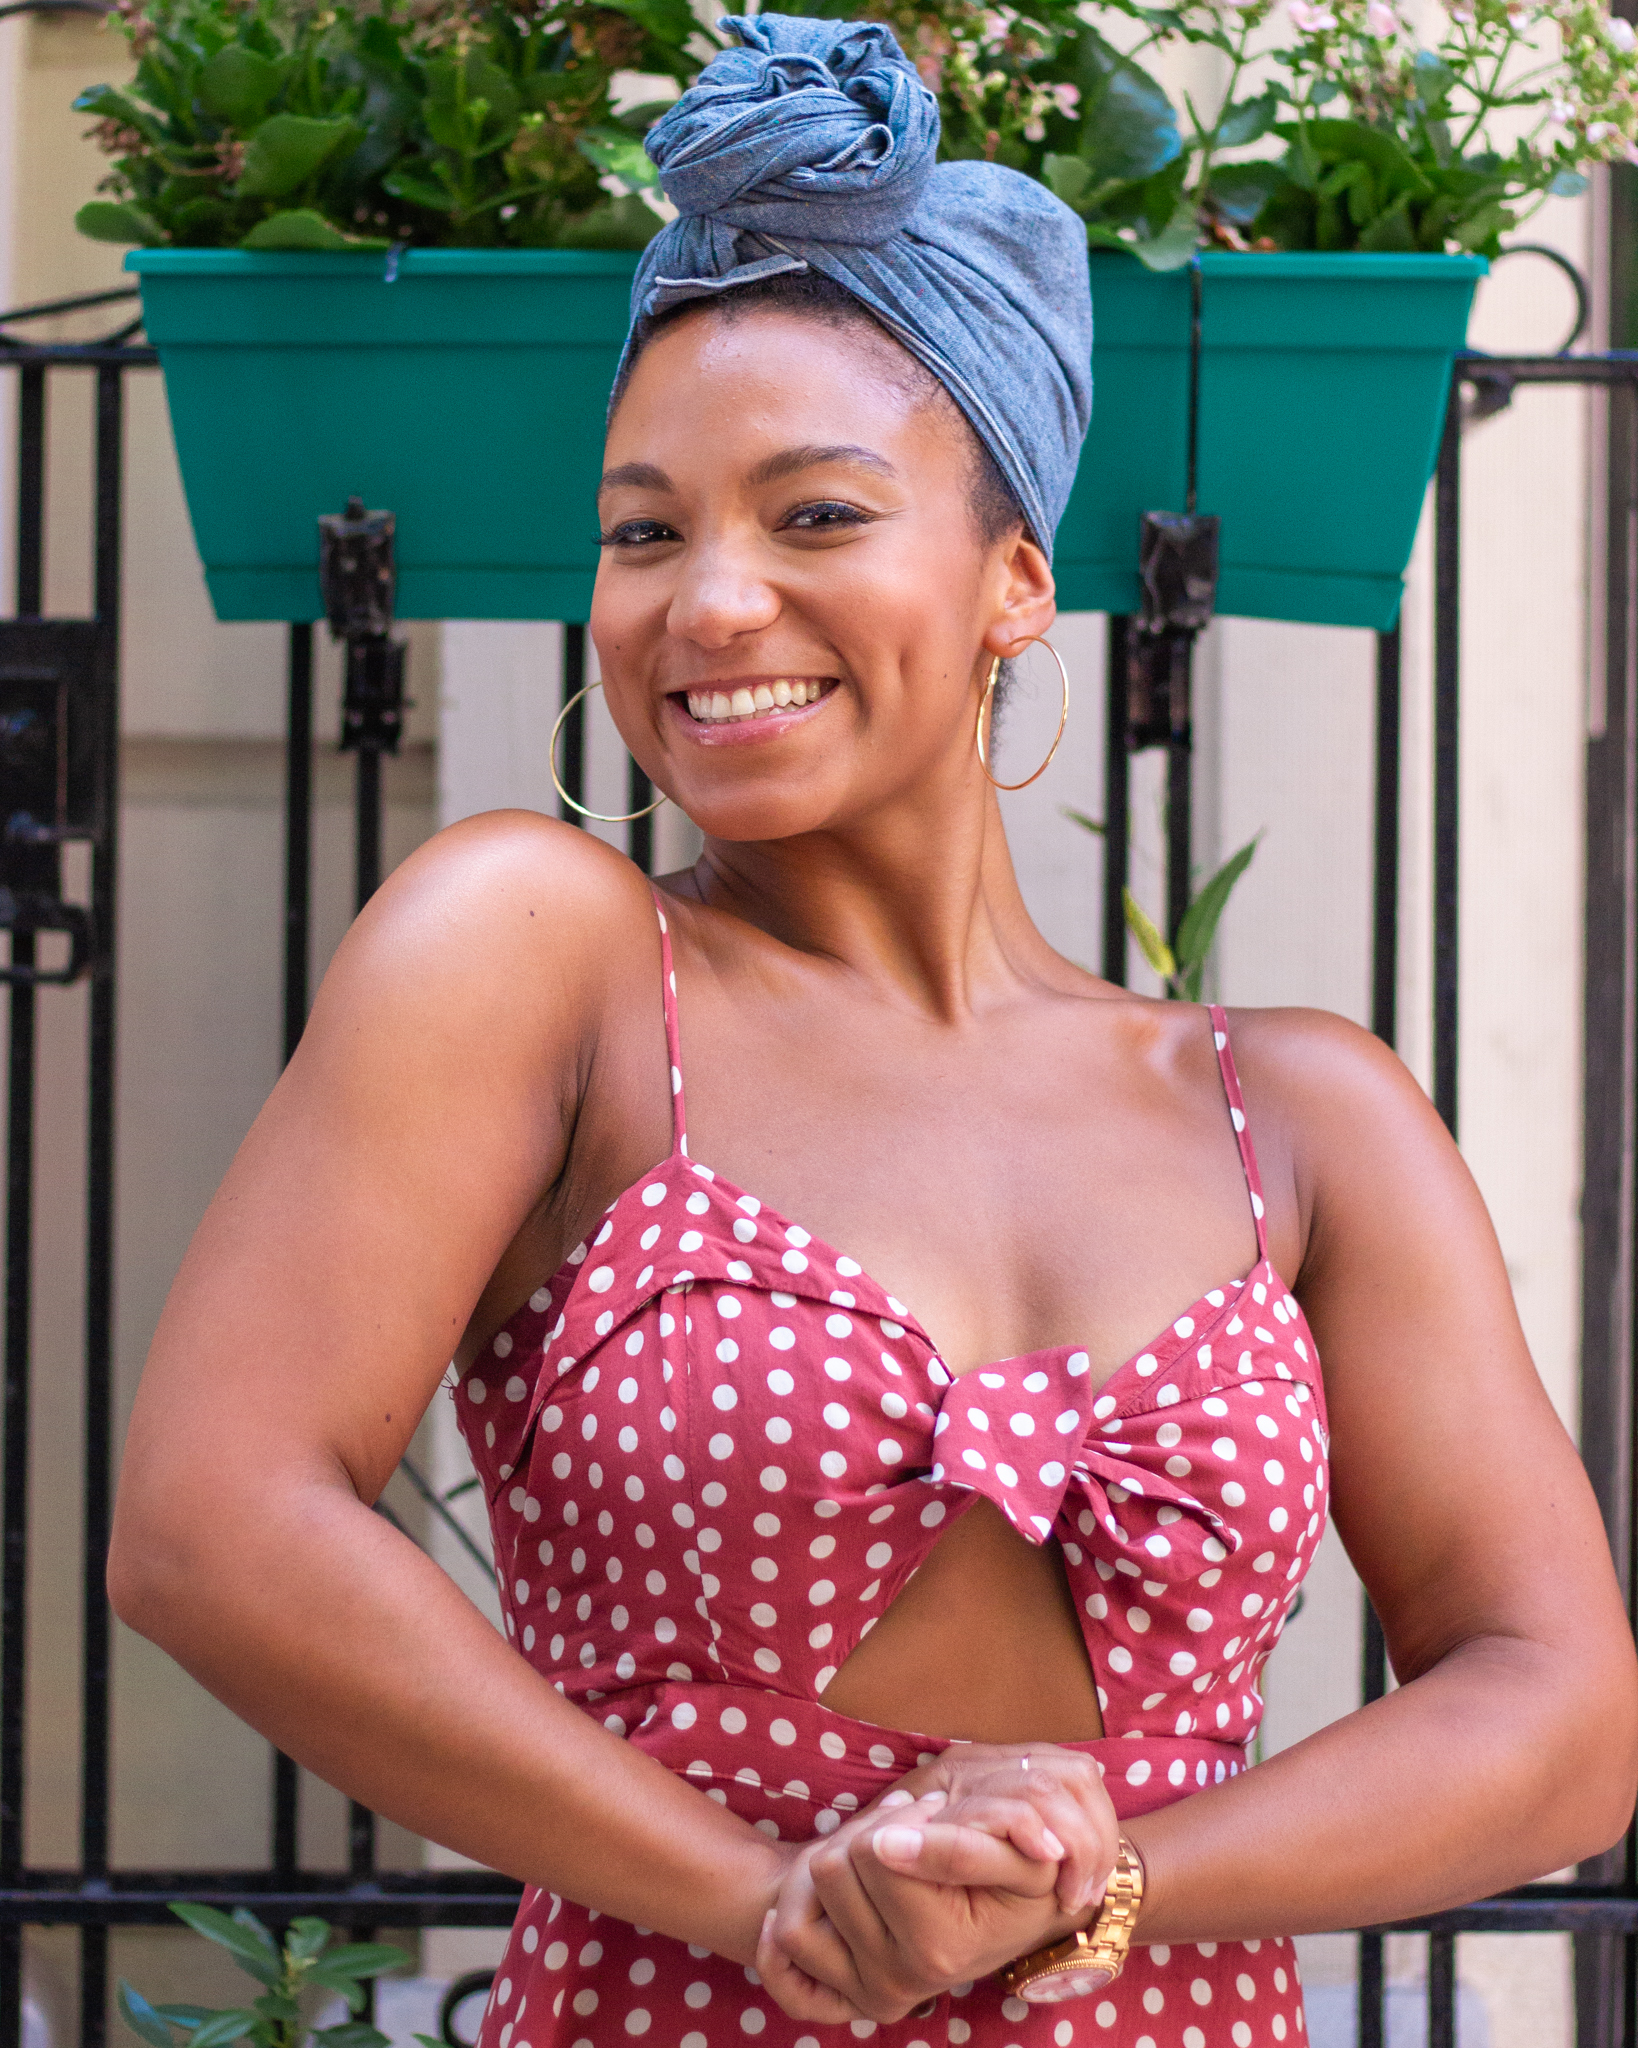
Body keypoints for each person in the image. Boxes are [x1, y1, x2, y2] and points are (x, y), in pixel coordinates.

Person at [110, 15, 1638, 2047]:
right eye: (648, 531)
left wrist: (1117, 1879)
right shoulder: (547, 955)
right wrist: (764, 1904)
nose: (710, 603)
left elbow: (1561, 1710)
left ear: (1016, 582)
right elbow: (215, 1523)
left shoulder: (1296, 1109)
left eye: (814, 516)